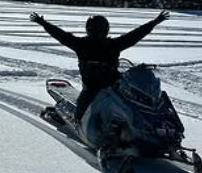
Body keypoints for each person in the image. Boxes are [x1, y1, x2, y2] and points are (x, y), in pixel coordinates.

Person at [30, 10, 169, 122]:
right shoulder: (112, 44)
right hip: (98, 90)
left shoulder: (82, 44)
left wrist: (43, 23)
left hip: (112, 88)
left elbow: (60, 35)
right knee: (79, 119)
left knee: (138, 105)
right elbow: (135, 35)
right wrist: (155, 22)